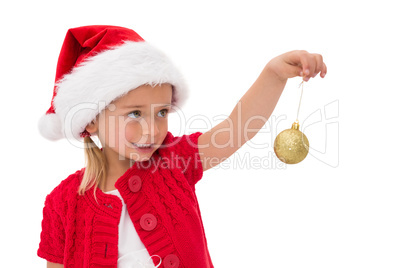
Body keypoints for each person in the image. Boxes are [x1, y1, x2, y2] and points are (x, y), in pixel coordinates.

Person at [37, 25, 327, 268]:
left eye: (162, 112)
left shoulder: (174, 161)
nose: (152, 129)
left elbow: (236, 128)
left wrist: (273, 76)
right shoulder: (61, 204)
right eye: (135, 113)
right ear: (90, 121)